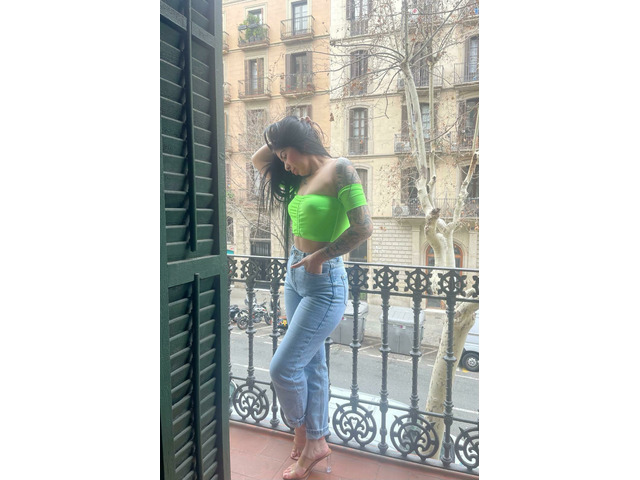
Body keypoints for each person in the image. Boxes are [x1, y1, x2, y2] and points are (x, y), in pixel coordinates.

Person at [251, 116, 373, 480]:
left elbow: (364, 227)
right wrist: (279, 138)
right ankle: (316, 442)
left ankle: (303, 431)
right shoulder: (299, 177)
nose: (284, 165)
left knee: (283, 368)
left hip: (324, 280)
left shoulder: (341, 169)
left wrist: (321, 255)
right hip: (295, 274)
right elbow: (259, 160)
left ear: (302, 145)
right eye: (281, 158)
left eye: (286, 156)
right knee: (313, 365)